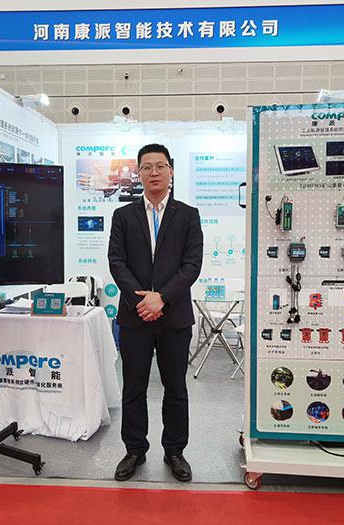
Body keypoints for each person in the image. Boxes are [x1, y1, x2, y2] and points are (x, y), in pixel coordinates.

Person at [108, 143, 203, 482]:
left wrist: (161, 298)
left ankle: (175, 450)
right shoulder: (123, 216)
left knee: (175, 387)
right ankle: (134, 449)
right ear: (138, 173)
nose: (154, 172)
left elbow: (192, 265)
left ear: (170, 171)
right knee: (133, 387)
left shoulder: (188, 215)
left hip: (174, 317)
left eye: (160, 166)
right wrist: (143, 301)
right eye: (146, 167)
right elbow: (116, 262)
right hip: (135, 317)